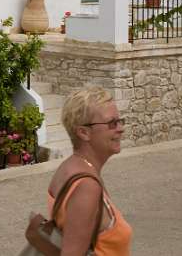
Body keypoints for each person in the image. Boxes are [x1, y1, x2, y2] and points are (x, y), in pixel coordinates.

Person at [45, 86, 132, 255]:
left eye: (120, 121)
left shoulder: (68, 168)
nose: (120, 128)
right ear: (84, 132)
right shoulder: (86, 187)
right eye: (111, 123)